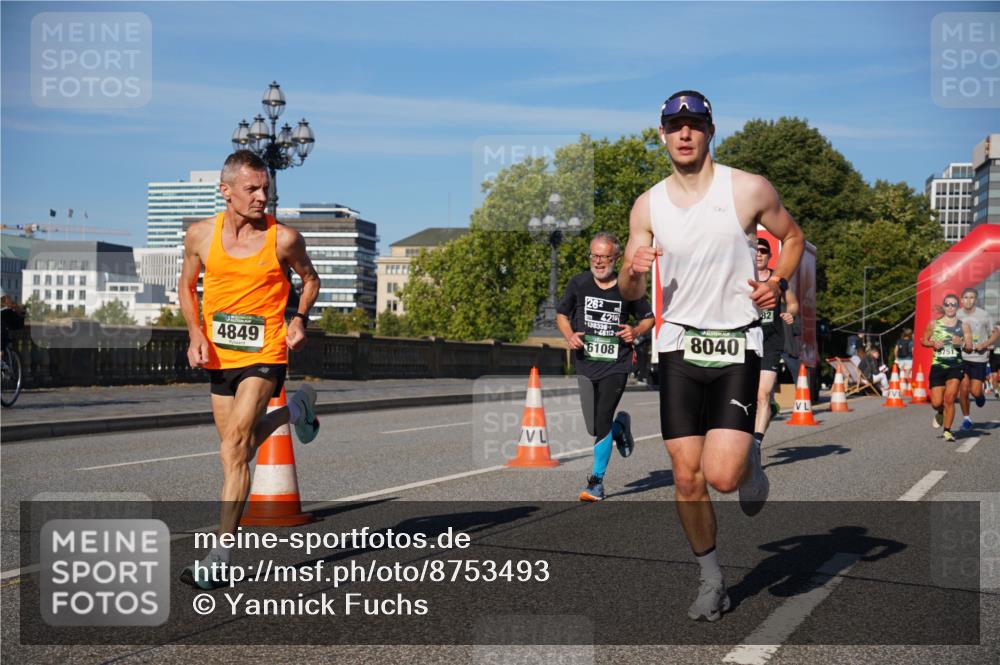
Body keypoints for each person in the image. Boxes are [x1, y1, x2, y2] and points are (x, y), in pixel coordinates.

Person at [619, 90, 804, 622]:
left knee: (722, 476)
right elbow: (633, 291)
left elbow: (791, 237)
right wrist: (634, 267)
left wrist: (779, 280)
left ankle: (750, 459)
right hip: (677, 344)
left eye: (694, 124)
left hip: (735, 343)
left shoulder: (747, 189)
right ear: (661, 135)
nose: (684, 133)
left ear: (710, 130)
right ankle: (711, 579)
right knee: (685, 475)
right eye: (674, 125)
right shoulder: (646, 204)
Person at [178, 150, 322, 589]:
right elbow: (186, 287)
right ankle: (296, 412)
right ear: (226, 191)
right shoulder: (200, 235)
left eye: (266, 189)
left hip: (265, 353)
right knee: (234, 451)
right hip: (219, 356)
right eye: (253, 189)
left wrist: (298, 319)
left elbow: (310, 279)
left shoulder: (284, 239)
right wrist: (195, 334)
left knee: (236, 444)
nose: (263, 197)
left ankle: (219, 556)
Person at [557, 232, 655, 501]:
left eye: (604, 257)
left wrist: (635, 331)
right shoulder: (578, 283)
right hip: (586, 363)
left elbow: (649, 318)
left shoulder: (627, 286)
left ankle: (596, 482)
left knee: (601, 419)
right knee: (593, 426)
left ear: (616, 258)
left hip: (617, 363)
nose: (598, 262)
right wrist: (569, 335)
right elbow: (562, 315)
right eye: (594, 256)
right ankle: (620, 428)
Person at [752, 237, 798, 445]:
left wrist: (790, 314)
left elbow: (793, 304)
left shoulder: (778, 281)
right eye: (756, 250)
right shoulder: (742, 277)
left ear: (770, 256)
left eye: (763, 250)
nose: (759, 253)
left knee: (762, 394)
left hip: (770, 342)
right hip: (745, 342)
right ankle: (769, 410)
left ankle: (756, 445)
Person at [921, 294, 972, 443]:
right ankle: (940, 411)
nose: (950, 307)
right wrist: (932, 344)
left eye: (953, 304)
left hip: (955, 366)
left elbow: (969, 347)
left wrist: (961, 343)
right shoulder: (933, 324)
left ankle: (948, 431)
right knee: (936, 403)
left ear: (957, 307)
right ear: (943, 307)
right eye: (947, 304)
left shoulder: (964, 325)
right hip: (938, 366)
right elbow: (924, 340)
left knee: (950, 398)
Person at [956, 288, 1000, 431]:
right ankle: (966, 419)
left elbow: (995, 333)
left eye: (972, 297)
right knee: (963, 388)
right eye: (966, 297)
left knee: (975, 391)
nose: (969, 300)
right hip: (961, 357)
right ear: (961, 299)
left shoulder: (984, 315)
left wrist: (985, 344)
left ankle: (980, 396)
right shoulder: (956, 315)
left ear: (976, 299)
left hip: (979, 357)